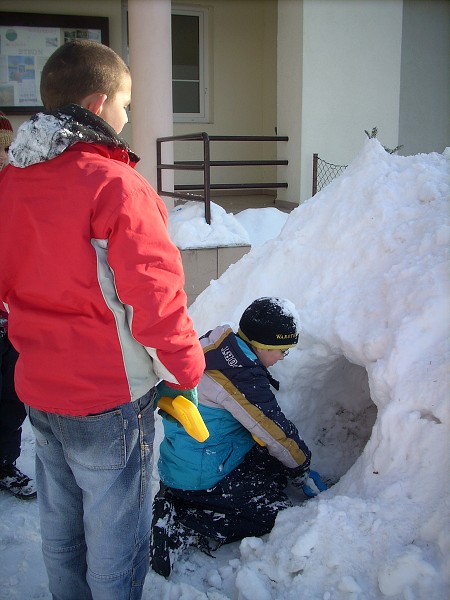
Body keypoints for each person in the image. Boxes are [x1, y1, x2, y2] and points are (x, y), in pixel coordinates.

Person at [0, 40, 205, 600]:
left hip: (40, 390)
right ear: (99, 103)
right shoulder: (115, 185)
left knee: (63, 528)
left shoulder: (10, 183)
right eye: (127, 103)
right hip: (108, 401)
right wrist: (185, 371)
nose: (128, 116)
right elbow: (156, 300)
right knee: (118, 542)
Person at [151, 297, 314, 577]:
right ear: (262, 346)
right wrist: (303, 468)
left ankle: (177, 498)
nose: (282, 358)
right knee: (271, 512)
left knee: (271, 471)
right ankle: (184, 525)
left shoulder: (220, 342)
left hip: (183, 458)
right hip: (201, 475)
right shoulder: (241, 379)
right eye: (282, 351)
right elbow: (277, 433)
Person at [0, 111, 37, 500]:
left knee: (10, 399)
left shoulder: (16, 191)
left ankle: (4, 464)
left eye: (5, 149)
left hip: (12, 320)